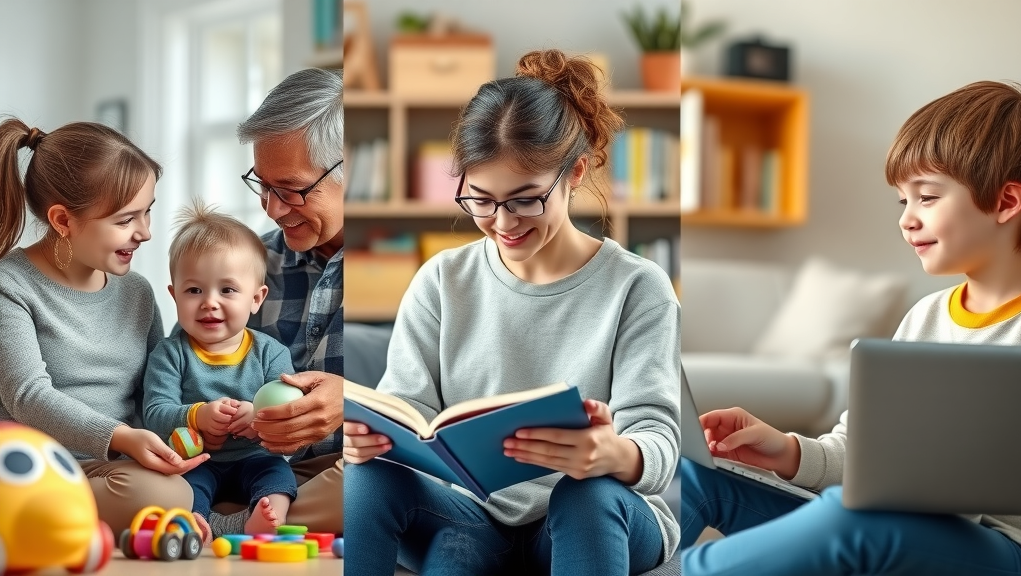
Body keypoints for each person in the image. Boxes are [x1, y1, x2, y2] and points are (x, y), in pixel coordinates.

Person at [344, 50, 682, 576]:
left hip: (595, 512)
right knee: (365, 478)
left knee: (586, 493)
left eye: (525, 200)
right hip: (471, 516)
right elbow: (404, 409)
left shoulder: (638, 287)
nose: (503, 223)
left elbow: (657, 438)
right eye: (481, 200)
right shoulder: (442, 279)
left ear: (575, 172)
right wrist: (371, 439)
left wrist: (612, 453)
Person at [678, 80, 1021, 576]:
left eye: (927, 197)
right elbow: (863, 458)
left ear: (1006, 202)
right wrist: (786, 450)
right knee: (696, 473)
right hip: (904, 526)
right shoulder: (926, 316)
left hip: (1002, 549)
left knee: (850, 518)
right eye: (902, 202)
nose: (907, 220)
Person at [0, 118, 206, 535]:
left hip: (113, 468)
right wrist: (122, 437)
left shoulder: (137, 292)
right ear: (63, 220)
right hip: (35, 463)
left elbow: (156, 387)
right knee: (165, 496)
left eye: (148, 211)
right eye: (126, 220)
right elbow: (27, 395)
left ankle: (59, 521)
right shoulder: (11, 286)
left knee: (180, 489)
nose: (145, 233)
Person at [204, 67, 343, 537]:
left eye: (289, 189)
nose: (272, 207)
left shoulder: (409, 271)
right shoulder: (247, 268)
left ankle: (229, 522)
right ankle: (255, 518)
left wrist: (355, 403)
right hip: (248, 470)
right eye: (261, 185)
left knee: (375, 481)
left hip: (347, 469)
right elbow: (185, 366)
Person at [143, 201, 298, 540]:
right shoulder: (169, 354)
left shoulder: (271, 353)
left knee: (279, 478)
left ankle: (265, 519)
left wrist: (256, 418)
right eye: (194, 290)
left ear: (256, 299)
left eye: (227, 290)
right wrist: (197, 416)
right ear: (174, 295)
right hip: (197, 460)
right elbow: (154, 414)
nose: (209, 302)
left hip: (255, 457)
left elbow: (287, 415)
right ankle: (199, 525)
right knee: (178, 487)